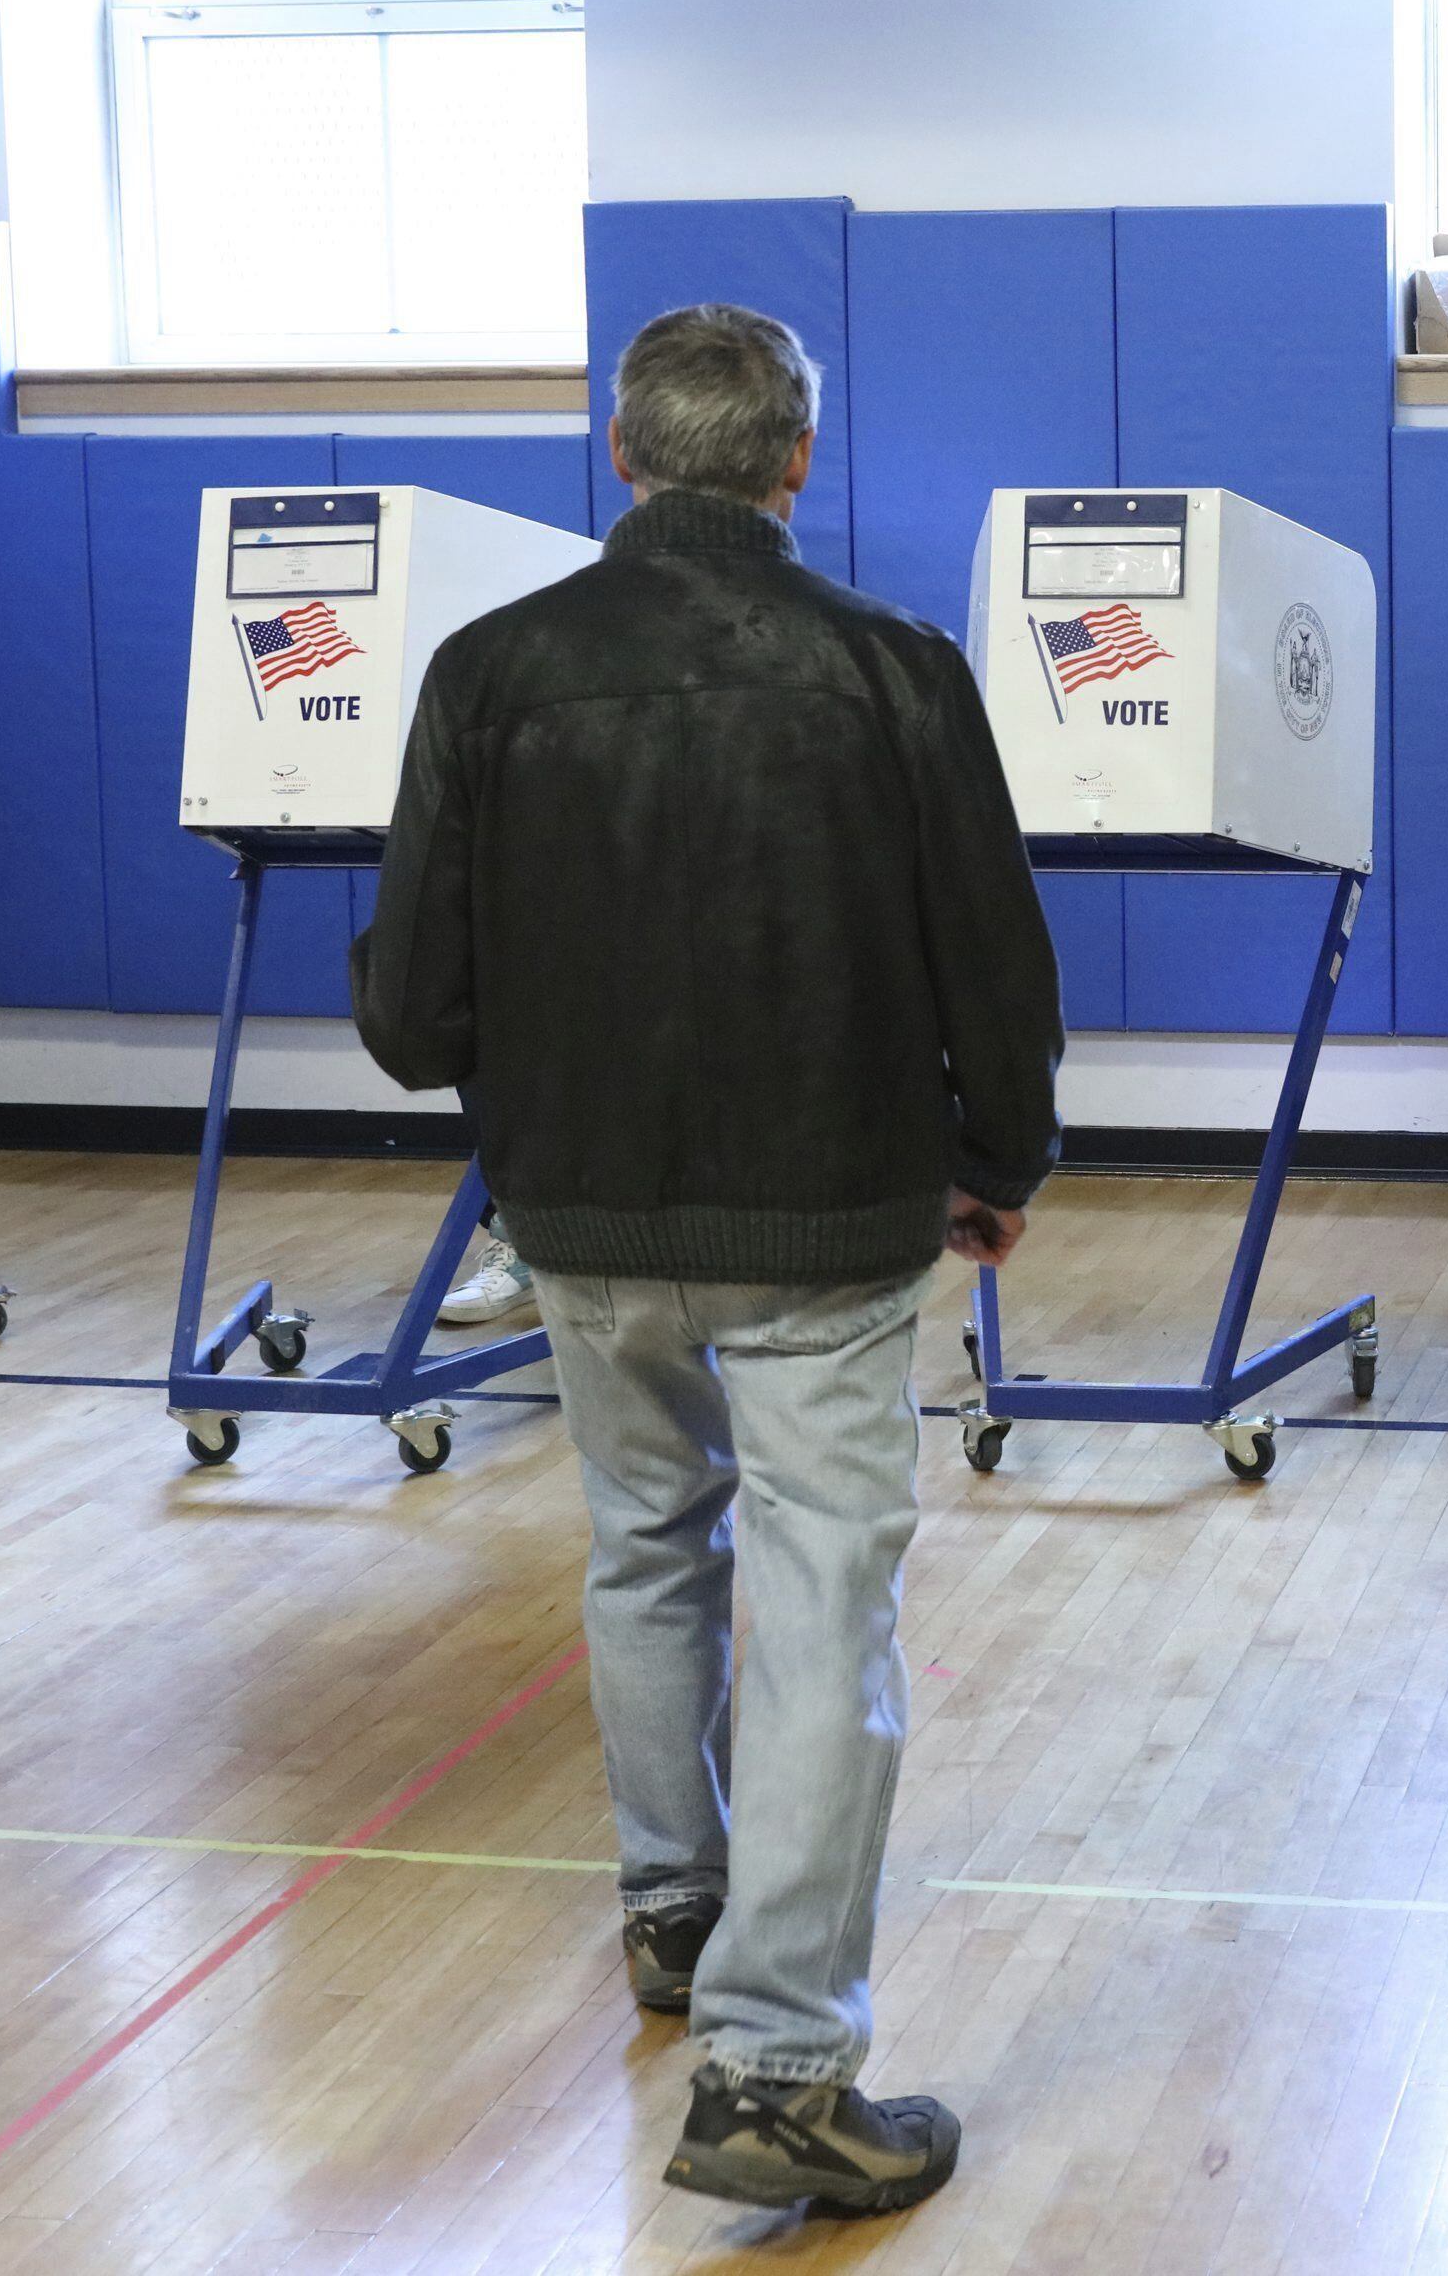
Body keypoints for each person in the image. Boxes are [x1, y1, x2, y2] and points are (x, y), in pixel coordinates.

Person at [354, 303, 1063, 2221]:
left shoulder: (488, 674)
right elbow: (996, 966)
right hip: (827, 1220)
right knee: (822, 1599)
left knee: (646, 1540)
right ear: (795, 461)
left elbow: (409, 1016)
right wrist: (997, 1159)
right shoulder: (896, 670)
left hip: (579, 1221)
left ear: (621, 452)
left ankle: (676, 1905)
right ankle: (775, 2065)